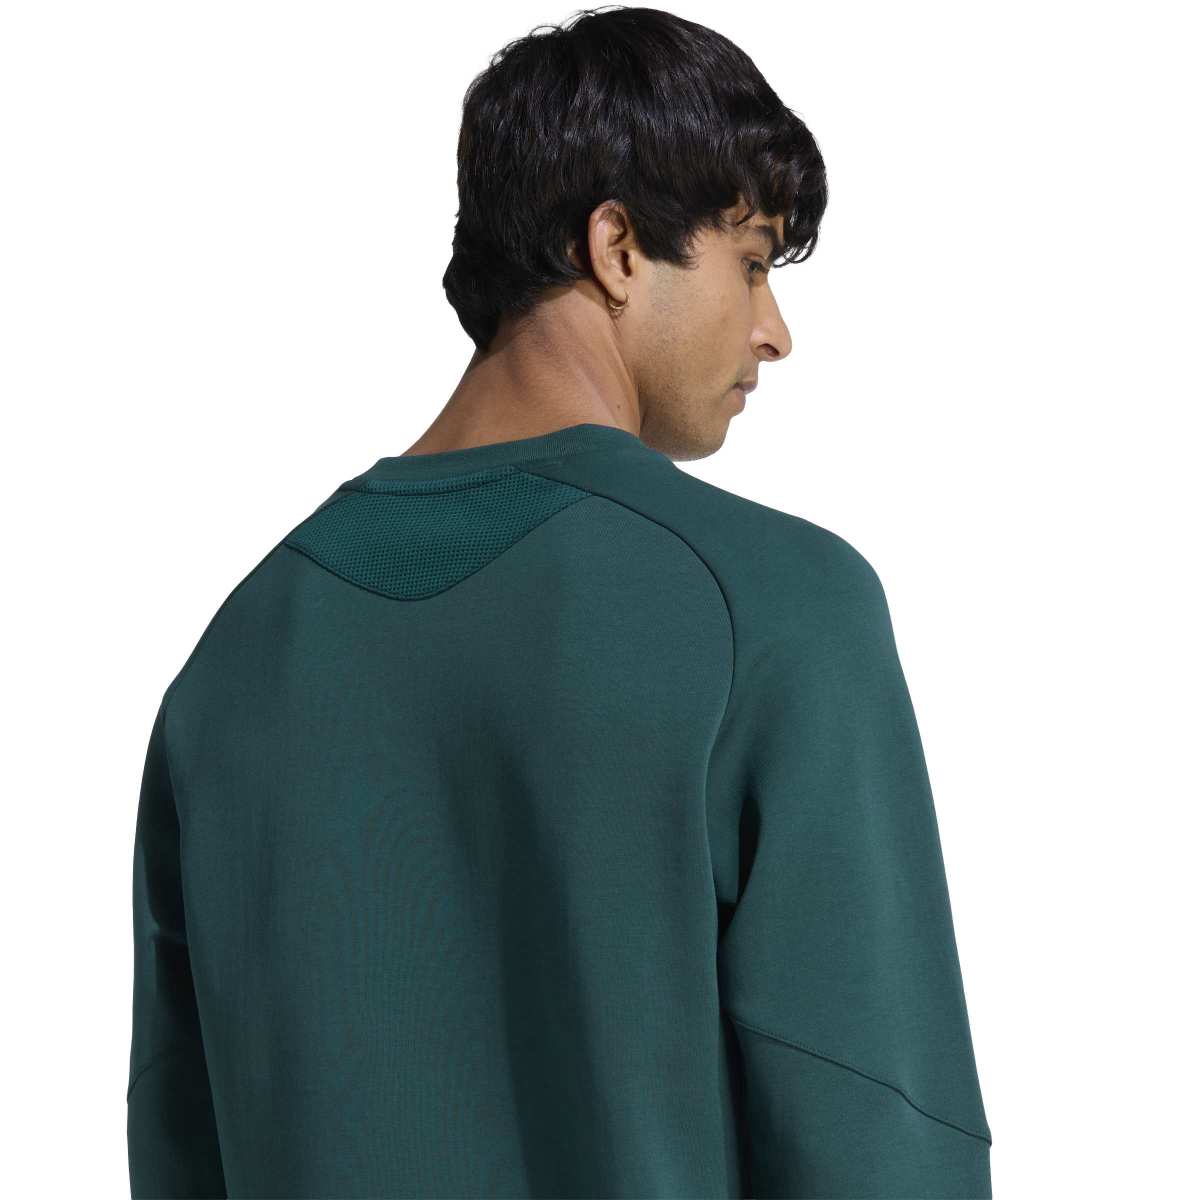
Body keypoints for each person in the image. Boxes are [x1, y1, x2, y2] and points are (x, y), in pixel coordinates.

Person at [126, 6, 992, 1197]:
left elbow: (180, 1150)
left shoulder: (232, 662)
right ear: (618, 247)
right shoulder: (771, 610)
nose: (773, 332)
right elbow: (881, 1141)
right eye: (751, 262)